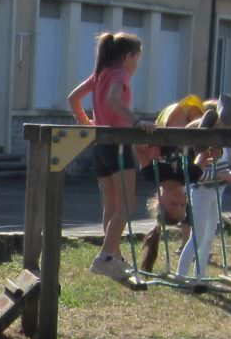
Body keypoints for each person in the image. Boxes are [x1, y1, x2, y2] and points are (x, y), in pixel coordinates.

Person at [67, 31, 142, 279]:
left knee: (112, 204)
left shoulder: (100, 74)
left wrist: (87, 122)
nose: (137, 64)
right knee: (127, 203)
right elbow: (112, 100)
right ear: (128, 56)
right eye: (137, 58)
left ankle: (115, 255)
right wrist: (136, 122)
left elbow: (73, 98)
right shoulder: (120, 75)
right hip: (119, 143)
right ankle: (106, 255)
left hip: (101, 145)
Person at [133, 95, 208, 272]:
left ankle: (202, 123)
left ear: (159, 199)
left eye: (174, 203)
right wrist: (211, 149)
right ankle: (217, 120)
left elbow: (138, 148)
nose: (179, 198)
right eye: (183, 203)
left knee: (180, 123)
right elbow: (205, 153)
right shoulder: (190, 176)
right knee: (200, 126)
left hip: (167, 126)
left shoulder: (153, 174)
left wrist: (145, 132)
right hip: (194, 127)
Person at [174, 103, 231, 284]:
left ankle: (199, 276)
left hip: (216, 191)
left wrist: (227, 174)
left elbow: (222, 167)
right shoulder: (202, 148)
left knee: (209, 235)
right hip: (202, 192)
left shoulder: (220, 146)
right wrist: (221, 175)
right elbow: (199, 176)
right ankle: (181, 274)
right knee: (198, 235)